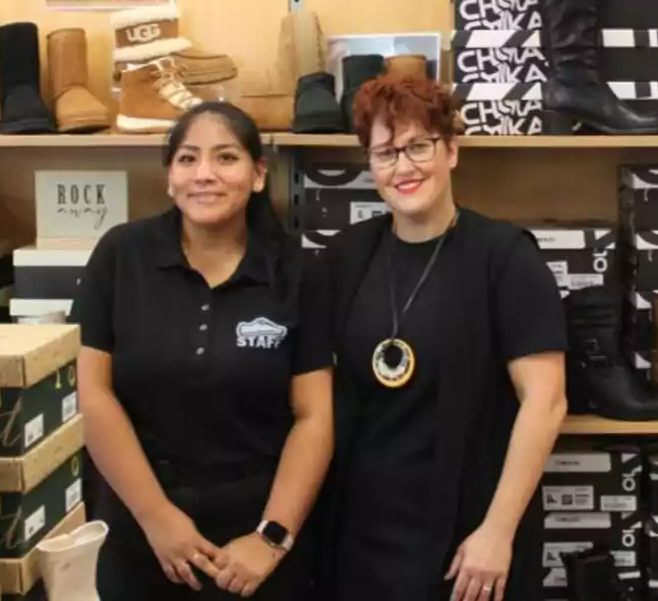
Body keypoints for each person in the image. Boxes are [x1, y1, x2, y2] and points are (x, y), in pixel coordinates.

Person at [314, 74, 569, 601]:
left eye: (418, 146)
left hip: (468, 536)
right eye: (385, 153)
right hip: (361, 537)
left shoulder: (506, 258)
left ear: (451, 150)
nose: (403, 167)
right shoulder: (346, 257)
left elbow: (545, 402)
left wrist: (498, 533)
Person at [71, 101, 334, 600]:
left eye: (226, 158)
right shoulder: (121, 255)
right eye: (188, 159)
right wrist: (157, 518)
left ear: (258, 175)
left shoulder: (299, 272)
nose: (205, 175)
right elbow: (93, 396)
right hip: (140, 531)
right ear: (170, 177)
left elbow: (314, 417)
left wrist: (271, 538)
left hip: (256, 542)